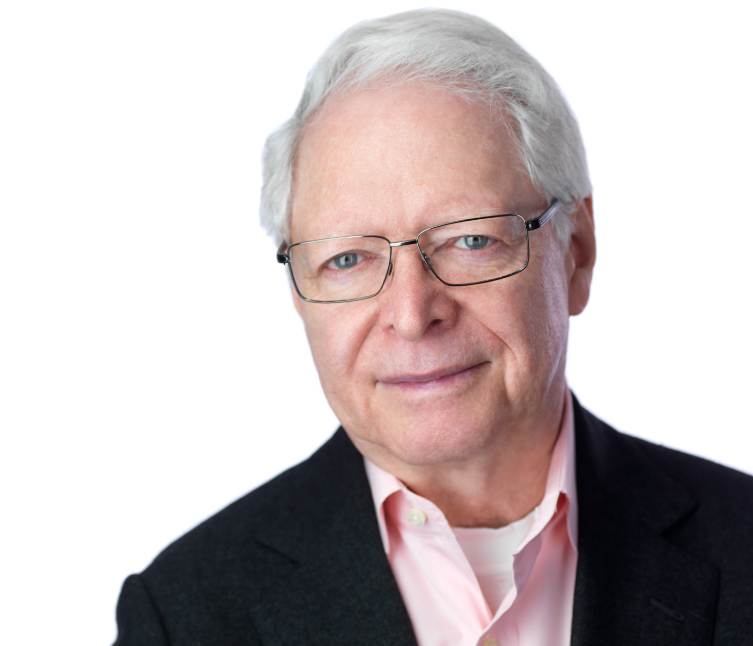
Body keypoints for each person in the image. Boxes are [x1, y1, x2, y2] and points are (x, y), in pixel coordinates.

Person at [112, 9, 753, 645]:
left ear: (577, 249)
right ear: (298, 294)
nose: (413, 315)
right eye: (346, 259)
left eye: (470, 240)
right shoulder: (183, 616)